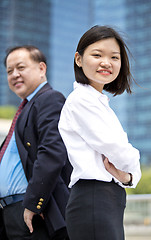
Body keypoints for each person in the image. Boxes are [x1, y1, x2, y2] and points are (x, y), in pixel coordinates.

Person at [58, 25, 141, 240]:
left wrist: (129, 177)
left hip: (105, 199)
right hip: (94, 198)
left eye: (114, 57)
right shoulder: (82, 101)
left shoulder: (98, 102)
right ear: (78, 59)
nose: (107, 62)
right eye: (97, 55)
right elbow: (118, 149)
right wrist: (133, 170)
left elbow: (119, 154)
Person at [0, 45, 72, 240]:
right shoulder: (25, 109)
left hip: (33, 212)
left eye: (21, 67)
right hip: (11, 212)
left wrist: (33, 203)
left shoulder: (49, 99)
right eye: (9, 71)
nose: (14, 74)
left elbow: (51, 152)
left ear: (41, 69)